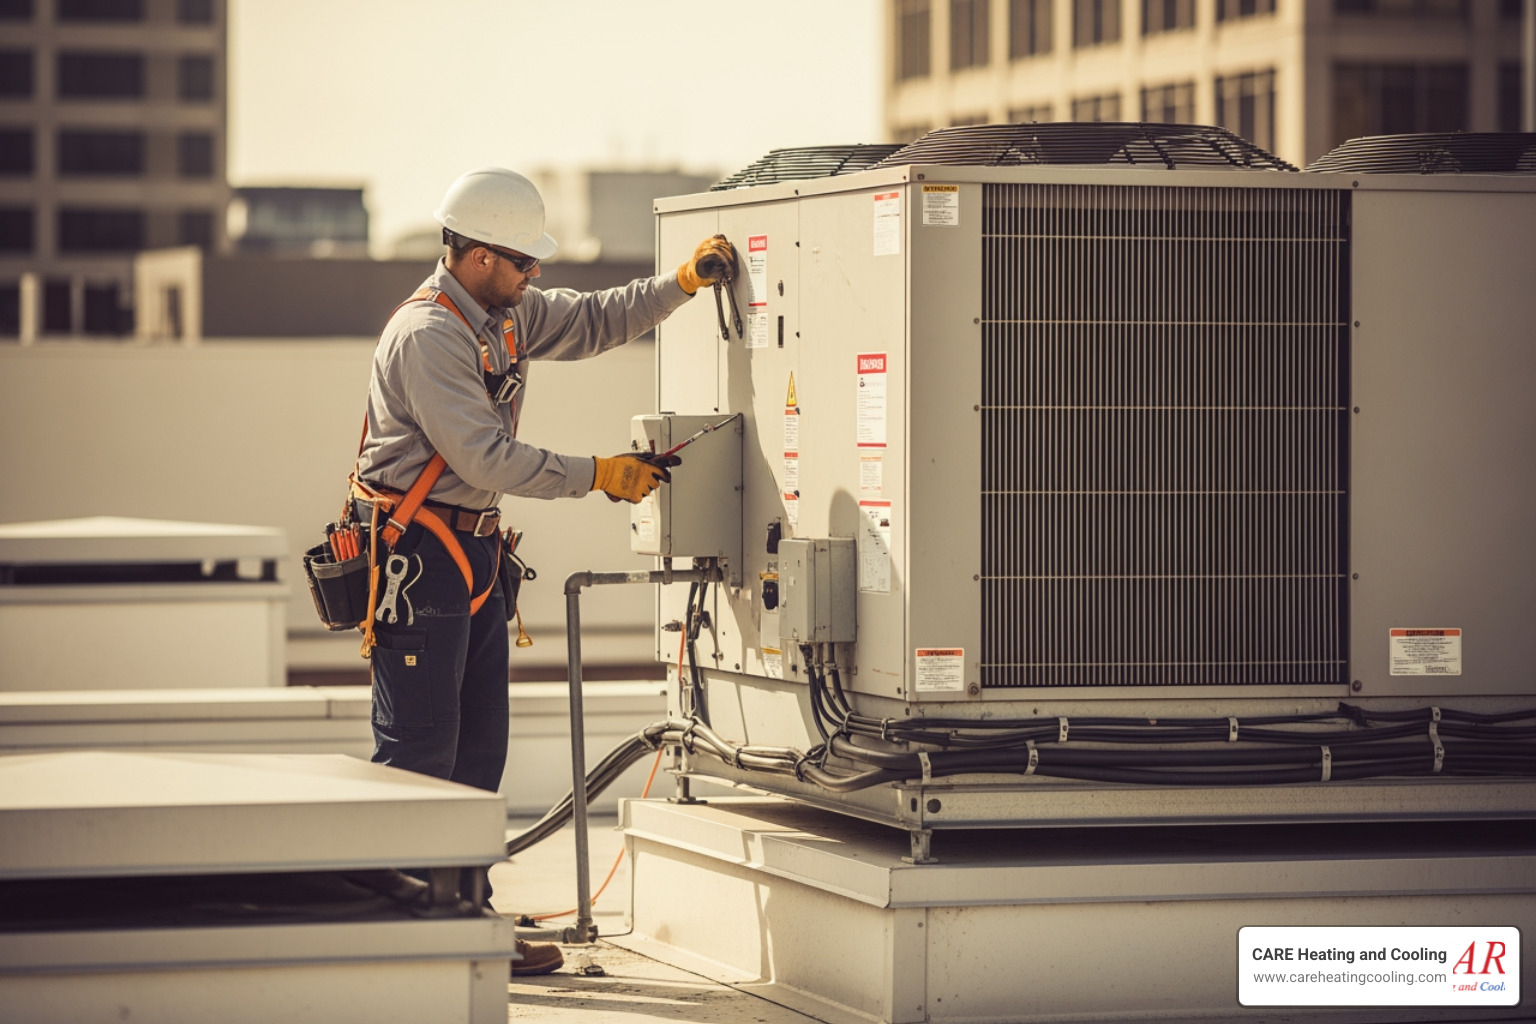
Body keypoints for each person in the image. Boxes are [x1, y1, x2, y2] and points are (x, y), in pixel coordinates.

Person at [351, 166, 734, 975]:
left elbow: (595, 319)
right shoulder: (429, 336)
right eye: (525, 263)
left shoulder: (505, 315)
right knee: (422, 753)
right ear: (480, 256)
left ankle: (463, 917)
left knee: (478, 750)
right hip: (420, 558)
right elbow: (484, 454)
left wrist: (682, 284)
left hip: (473, 554)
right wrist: (600, 473)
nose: (535, 278)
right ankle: (401, 933)